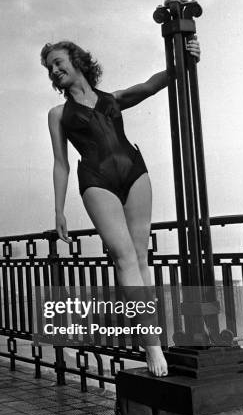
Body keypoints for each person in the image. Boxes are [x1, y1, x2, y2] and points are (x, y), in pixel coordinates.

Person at [41, 39, 201, 377]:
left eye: (57, 62)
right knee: (125, 258)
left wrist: (185, 61)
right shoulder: (58, 115)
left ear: (77, 60)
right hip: (97, 181)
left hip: (135, 172)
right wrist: (59, 210)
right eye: (50, 69)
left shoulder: (112, 99)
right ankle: (152, 346)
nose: (54, 71)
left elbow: (152, 85)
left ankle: (154, 336)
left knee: (141, 259)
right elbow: (61, 164)